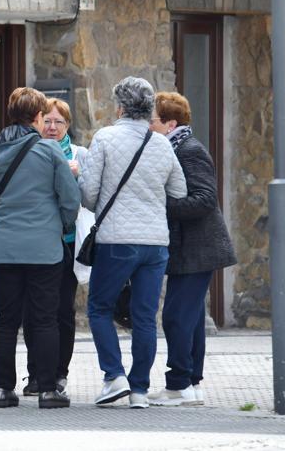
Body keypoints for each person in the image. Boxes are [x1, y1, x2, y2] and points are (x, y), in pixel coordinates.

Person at [78, 77, 187, 409]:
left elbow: (89, 194)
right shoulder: (161, 144)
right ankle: (139, 389)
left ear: (120, 107)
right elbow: (179, 192)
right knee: (143, 316)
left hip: (117, 240)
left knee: (99, 308)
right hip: (155, 244)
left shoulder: (106, 139)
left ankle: (114, 376)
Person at [0, 87, 80, 409]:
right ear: (37, 116)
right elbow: (71, 200)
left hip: (3, 249)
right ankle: (48, 390)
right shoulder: (49, 152)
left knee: (6, 319)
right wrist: (61, 225)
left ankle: (3, 390)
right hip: (43, 249)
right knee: (45, 318)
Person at [148, 92, 237, 406]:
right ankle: (192, 384)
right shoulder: (176, 148)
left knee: (176, 316)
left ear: (170, 123)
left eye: (153, 120)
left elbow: (204, 199)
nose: (148, 126)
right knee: (192, 318)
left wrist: (162, 204)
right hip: (190, 249)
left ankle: (177, 385)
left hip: (198, 248)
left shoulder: (188, 150)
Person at [22, 98, 88, 396]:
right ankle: (35, 374)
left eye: (57, 122)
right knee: (34, 311)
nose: (51, 127)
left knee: (62, 310)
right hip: (36, 243)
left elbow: (91, 194)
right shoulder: (30, 152)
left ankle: (59, 373)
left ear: (67, 126)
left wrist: (77, 176)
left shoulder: (80, 155)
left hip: (67, 244)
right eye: (46, 121)